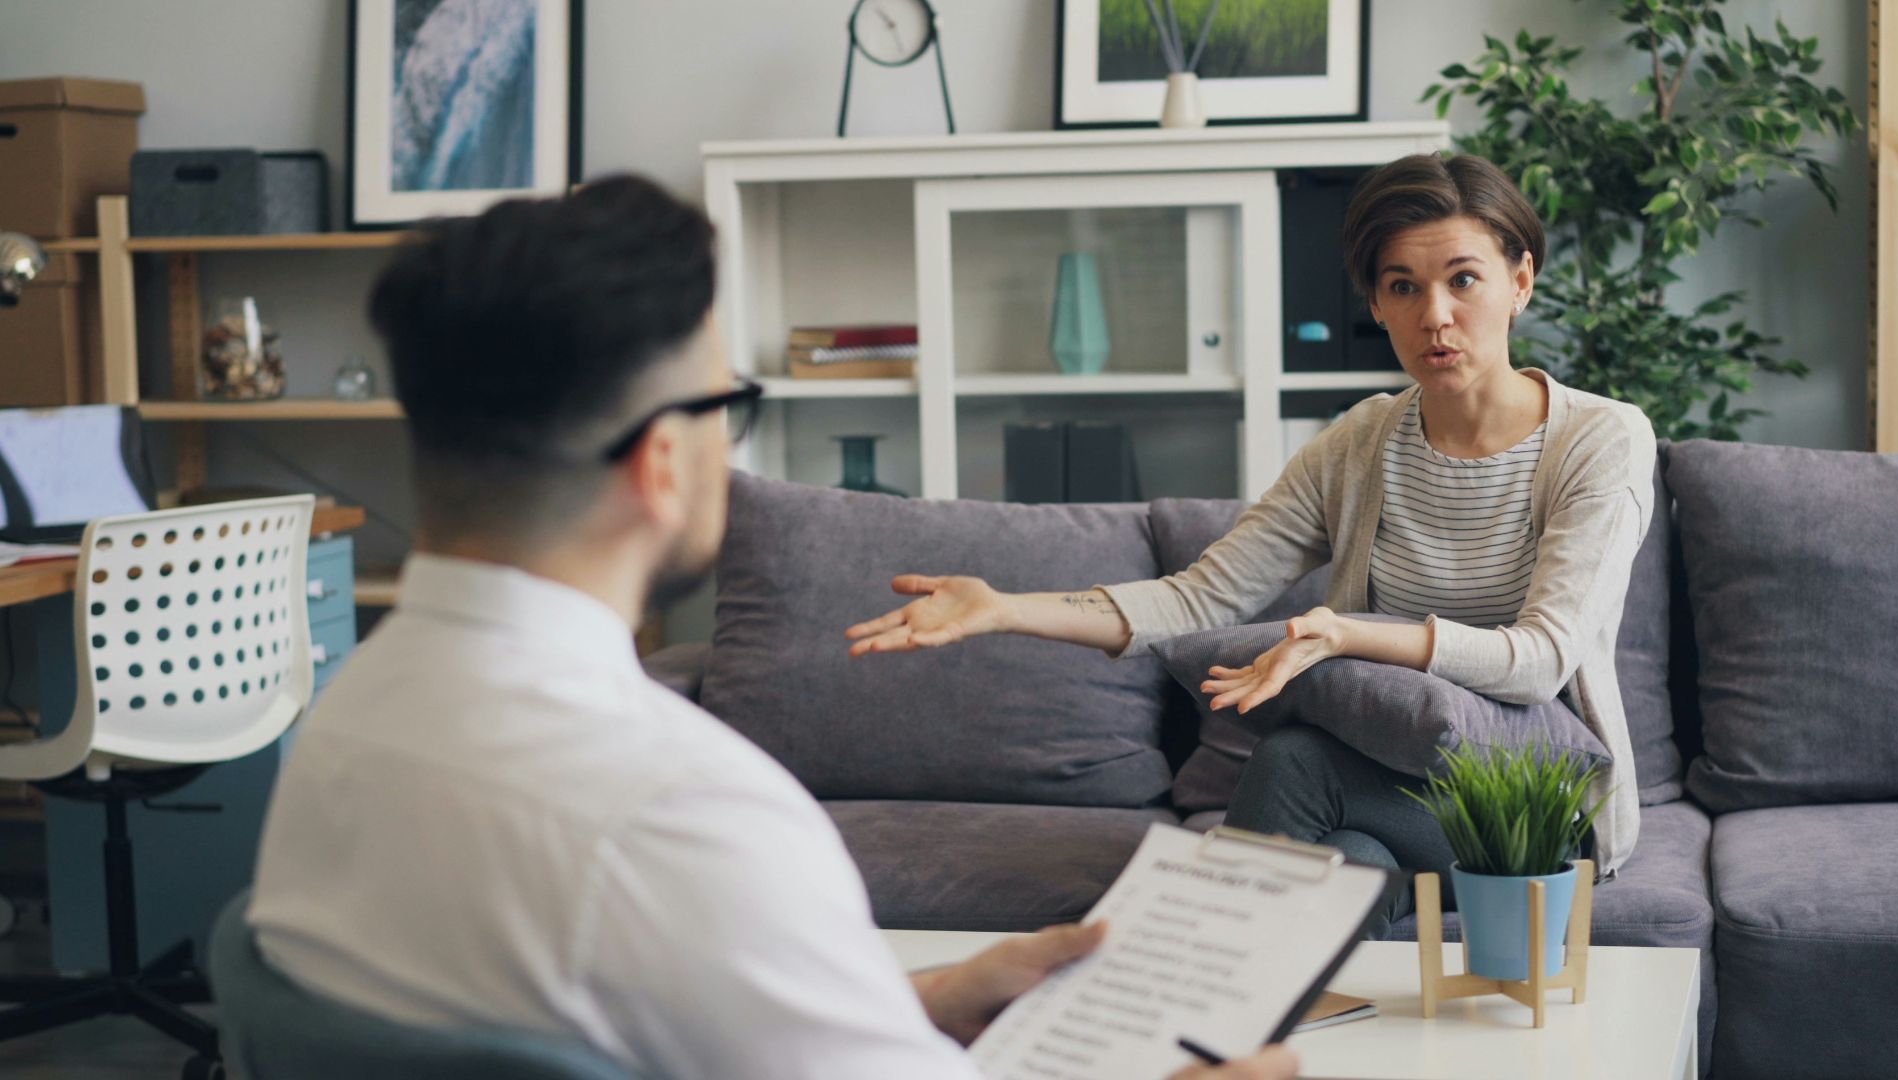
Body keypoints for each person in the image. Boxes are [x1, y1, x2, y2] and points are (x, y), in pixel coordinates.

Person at [246, 175, 1297, 1079]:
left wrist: (918, 1000)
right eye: (727, 405)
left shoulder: (343, 721)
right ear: (662, 462)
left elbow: (599, 1018)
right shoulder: (687, 812)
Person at [846, 152, 1655, 927]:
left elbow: (1541, 658)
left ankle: (1182, 986)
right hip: (1393, 786)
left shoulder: (1600, 440)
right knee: (1347, 868)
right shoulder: (1361, 443)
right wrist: (1003, 609)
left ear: (1520, 281)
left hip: (1537, 806)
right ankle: (1281, 1007)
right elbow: (1200, 597)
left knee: (1296, 763)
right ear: (1376, 305)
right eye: (1402, 286)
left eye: (1463, 280)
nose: (1434, 316)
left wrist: (1347, 633)